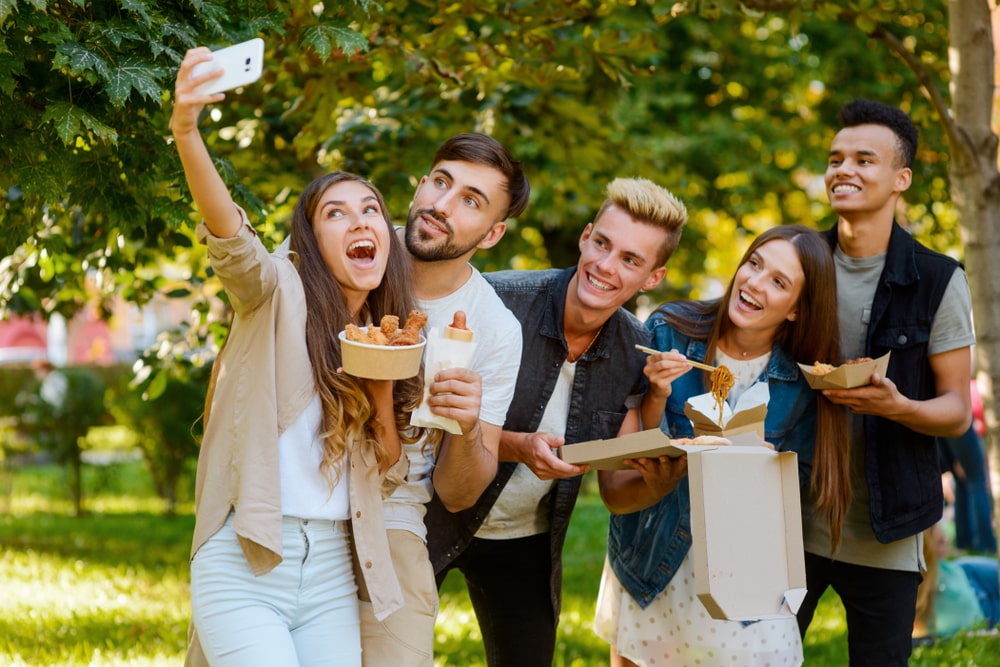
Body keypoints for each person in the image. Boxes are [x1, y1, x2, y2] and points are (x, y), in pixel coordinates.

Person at [172, 48, 422, 667]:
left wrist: (384, 382)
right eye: (335, 213)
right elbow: (231, 239)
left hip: (334, 568)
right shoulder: (276, 290)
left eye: (371, 211)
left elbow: (385, 465)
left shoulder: (380, 332)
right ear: (311, 242)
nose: (359, 221)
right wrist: (186, 129)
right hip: (249, 553)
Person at [425, 177, 688, 667]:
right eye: (603, 244)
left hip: (525, 540)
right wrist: (522, 446)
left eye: (630, 260)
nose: (606, 266)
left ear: (653, 277)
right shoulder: (496, 299)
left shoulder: (634, 348)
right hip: (430, 516)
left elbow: (616, 490)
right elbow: (429, 416)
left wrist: (663, 478)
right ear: (586, 236)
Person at [593, 224, 848, 667]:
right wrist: (656, 394)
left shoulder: (800, 381)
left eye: (778, 282)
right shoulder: (667, 331)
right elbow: (629, 456)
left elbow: (803, 482)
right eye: (754, 263)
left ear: (795, 309)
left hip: (746, 571)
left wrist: (770, 471)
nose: (754, 282)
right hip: (655, 558)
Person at [796, 99, 976, 666]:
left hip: (888, 526)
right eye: (835, 158)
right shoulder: (801, 261)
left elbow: (954, 411)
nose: (842, 169)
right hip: (790, 517)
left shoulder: (938, 279)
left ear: (901, 179)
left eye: (863, 159)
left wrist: (896, 406)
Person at [358, 133, 530, 666]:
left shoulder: (494, 329)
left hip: (393, 515)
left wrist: (468, 426)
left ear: (493, 232)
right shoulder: (353, 245)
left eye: (471, 201)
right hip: (300, 489)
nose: (442, 205)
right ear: (419, 185)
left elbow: (459, 495)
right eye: (440, 181)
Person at [913, 521, 999, 640]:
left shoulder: (947, 569)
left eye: (944, 538)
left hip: (971, 577)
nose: (947, 541)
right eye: (941, 542)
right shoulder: (915, 595)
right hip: (987, 613)